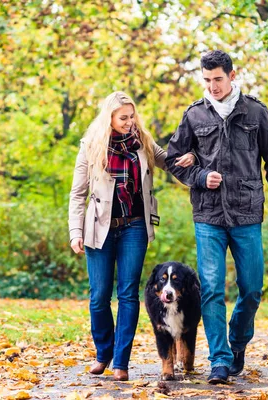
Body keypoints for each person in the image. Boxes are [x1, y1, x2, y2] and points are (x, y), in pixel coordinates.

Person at [165, 50, 268, 384]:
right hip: (207, 215)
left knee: (251, 290)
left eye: (218, 79)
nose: (212, 86)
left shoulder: (255, 111)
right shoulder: (194, 115)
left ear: (232, 76)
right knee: (211, 290)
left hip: (247, 213)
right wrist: (200, 177)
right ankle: (219, 360)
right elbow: (173, 159)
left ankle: (237, 343)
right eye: (206, 80)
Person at [68, 91, 194, 381]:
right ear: (109, 118)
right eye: (123, 117)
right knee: (99, 296)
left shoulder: (144, 141)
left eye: (131, 116)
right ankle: (103, 353)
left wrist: (188, 159)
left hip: (134, 226)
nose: (129, 122)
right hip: (99, 227)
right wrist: (75, 230)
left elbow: (168, 161)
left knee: (127, 294)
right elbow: (77, 193)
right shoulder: (91, 146)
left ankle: (121, 363)